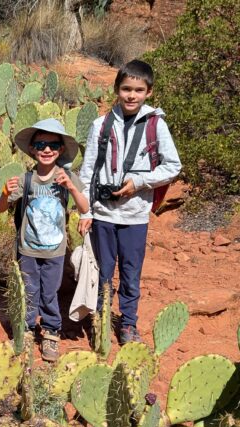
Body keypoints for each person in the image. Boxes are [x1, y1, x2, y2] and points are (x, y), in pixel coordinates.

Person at [78, 59, 182, 344]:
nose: (131, 95)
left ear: (149, 91)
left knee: (130, 272)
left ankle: (128, 323)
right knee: (102, 271)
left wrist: (138, 182)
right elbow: (88, 171)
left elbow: (173, 166)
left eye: (138, 89)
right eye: (126, 89)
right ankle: (100, 319)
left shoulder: (155, 125)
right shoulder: (100, 125)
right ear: (116, 89)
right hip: (102, 213)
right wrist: (85, 212)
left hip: (135, 214)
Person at [0, 119, 89, 361]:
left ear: (60, 150)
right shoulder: (26, 179)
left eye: (53, 145)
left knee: (50, 292)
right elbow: (1, 208)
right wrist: (6, 192)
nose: (46, 149)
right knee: (29, 290)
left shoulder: (66, 177)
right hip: (27, 248)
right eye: (40, 144)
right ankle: (26, 330)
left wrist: (72, 188)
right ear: (32, 150)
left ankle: (50, 332)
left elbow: (84, 207)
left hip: (56, 251)